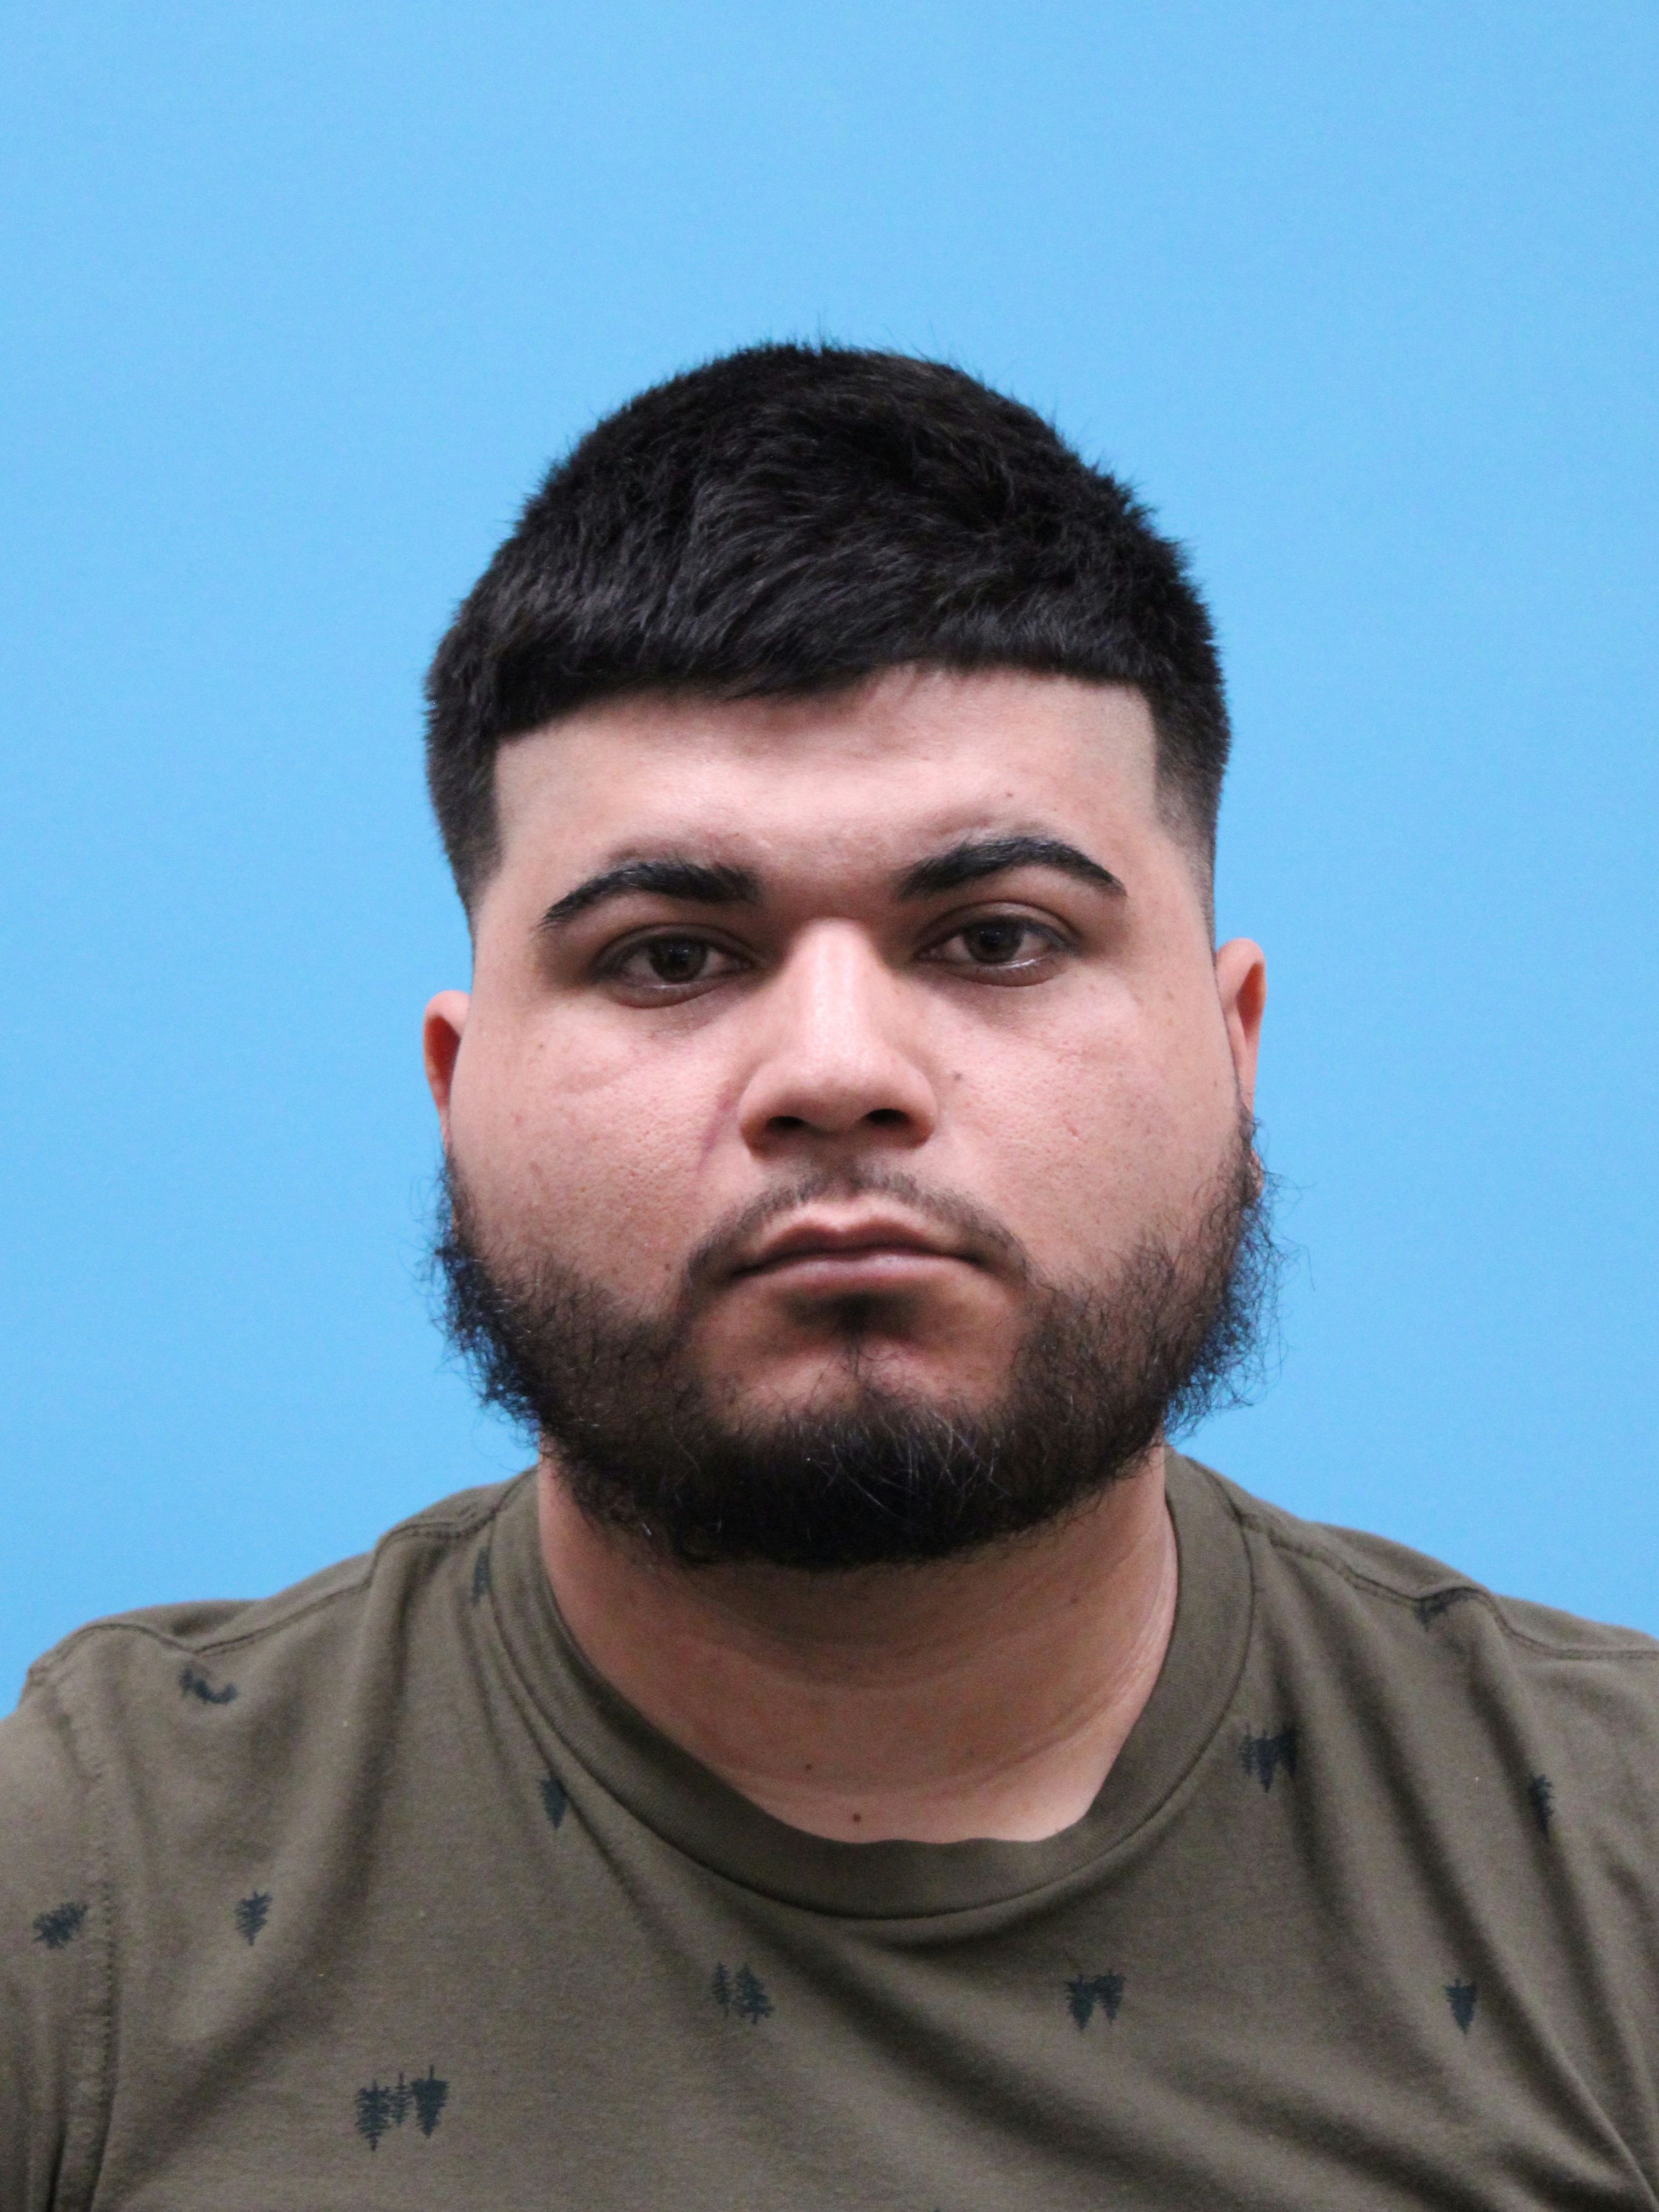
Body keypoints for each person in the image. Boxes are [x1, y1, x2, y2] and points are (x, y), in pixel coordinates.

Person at [3, 345, 1657, 2212]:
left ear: (1235, 1044)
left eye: (998, 936)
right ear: (461, 1094)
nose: (837, 1072)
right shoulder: (90, 1898)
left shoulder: (1614, 1860)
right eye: (670, 956)